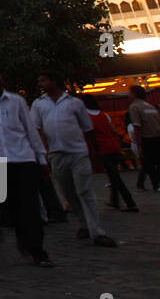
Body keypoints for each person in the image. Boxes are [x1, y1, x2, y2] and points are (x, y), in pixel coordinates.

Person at [0, 64, 51, 267]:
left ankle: (37, 249)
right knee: (13, 206)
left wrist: (41, 158)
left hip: (24, 158)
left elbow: (31, 131)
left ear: (2, 77)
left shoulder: (16, 101)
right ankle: (23, 240)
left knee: (31, 205)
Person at [30, 72, 116, 248]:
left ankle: (97, 231)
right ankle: (83, 223)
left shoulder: (74, 103)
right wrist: (42, 154)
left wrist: (93, 150)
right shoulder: (38, 105)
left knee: (84, 190)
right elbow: (35, 130)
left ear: (54, 81)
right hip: (56, 153)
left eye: (43, 79)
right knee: (68, 192)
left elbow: (87, 128)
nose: (40, 83)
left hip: (78, 152)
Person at [127, 86, 160, 207]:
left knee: (150, 167)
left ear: (134, 94)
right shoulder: (150, 106)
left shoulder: (134, 106)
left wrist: (139, 145)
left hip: (148, 140)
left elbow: (137, 126)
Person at [84, 94, 137, 212]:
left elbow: (88, 133)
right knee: (113, 174)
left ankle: (130, 202)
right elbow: (112, 130)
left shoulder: (86, 116)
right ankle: (115, 200)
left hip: (102, 147)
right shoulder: (104, 115)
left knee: (114, 176)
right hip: (112, 146)